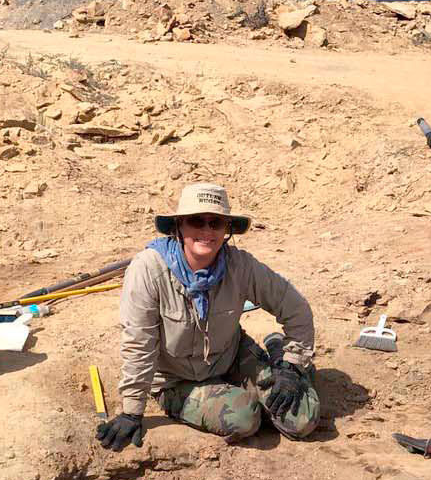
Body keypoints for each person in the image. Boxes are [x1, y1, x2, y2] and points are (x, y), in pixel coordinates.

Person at [96, 182, 319, 451]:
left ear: (227, 229)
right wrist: (132, 411)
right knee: (244, 417)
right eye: (196, 222)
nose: (206, 231)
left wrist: (291, 366)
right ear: (179, 226)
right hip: (175, 379)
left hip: (230, 354)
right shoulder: (148, 269)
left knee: (302, 419)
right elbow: (138, 344)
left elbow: (296, 308)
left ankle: (279, 353)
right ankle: (275, 356)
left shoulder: (240, 265)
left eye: (216, 223)